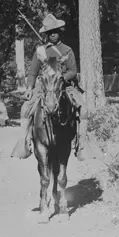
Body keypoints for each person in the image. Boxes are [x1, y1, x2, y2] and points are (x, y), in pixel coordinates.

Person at [11, 14, 96, 161]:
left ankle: (82, 145)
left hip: (64, 86)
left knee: (83, 109)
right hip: (43, 87)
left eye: (55, 31)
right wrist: (30, 88)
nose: (52, 34)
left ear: (60, 32)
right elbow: (33, 72)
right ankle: (24, 143)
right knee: (25, 108)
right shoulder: (40, 51)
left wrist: (62, 78)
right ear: (46, 34)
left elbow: (73, 71)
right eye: (49, 32)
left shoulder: (67, 50)